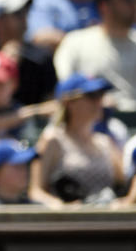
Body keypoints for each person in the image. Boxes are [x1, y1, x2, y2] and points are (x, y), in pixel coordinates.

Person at [30, 74, 124, 207]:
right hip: (69, 222)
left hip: (107, 220)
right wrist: (61, 206)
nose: (99, 102)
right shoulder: (53, 139)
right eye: (91, 96)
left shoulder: (105, 142)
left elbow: (123, 183)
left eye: (101, 95)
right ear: (69, 102)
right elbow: (36, 191)